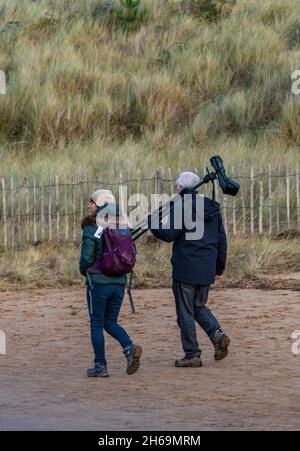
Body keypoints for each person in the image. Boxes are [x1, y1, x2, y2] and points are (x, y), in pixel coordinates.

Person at [149, 171, 230, 368]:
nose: (175, 189)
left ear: (181, 187)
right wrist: (219, 268)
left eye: (177, 186)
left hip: (186, 268)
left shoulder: (181, 205)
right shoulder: (212, 208)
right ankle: (217, 334)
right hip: (206, 268)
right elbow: (222, 240)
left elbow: (169, 234)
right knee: (198, 306)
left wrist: (153, 223)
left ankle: (192, 353)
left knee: (185, 312)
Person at [79, 189, 142, 378]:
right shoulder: (123, 224)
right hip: (119, 282)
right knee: (110, 321)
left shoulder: (93, 226)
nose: (89, 206)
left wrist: (84, 270)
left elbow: (87, 256)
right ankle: (129, 348)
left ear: (99, 204)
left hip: (98, 282)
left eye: (91, 202)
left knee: (97, 323)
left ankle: (100, 365)